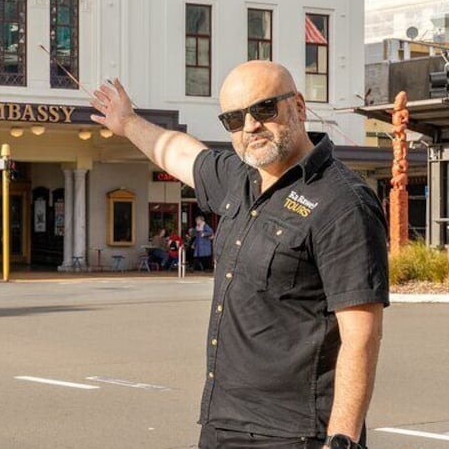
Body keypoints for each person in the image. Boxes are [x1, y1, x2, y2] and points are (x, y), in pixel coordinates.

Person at [90, 61, 388, 449]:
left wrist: (343, 438)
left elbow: (361, 336)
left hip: (293, 435)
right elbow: (180, 152)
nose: (250, 126)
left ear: (298, 106)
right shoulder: (237, 179)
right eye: (234, 119)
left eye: (264, 109)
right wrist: (128, 122)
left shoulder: (342, 203)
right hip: (222, 425)